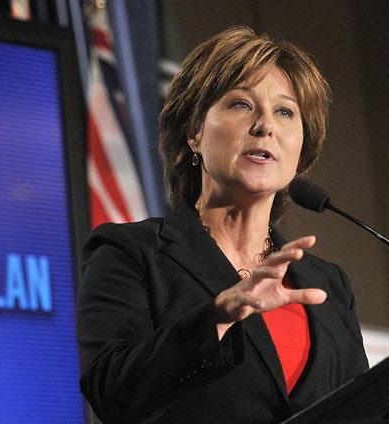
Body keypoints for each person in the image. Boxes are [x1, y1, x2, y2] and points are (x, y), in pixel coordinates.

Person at [76, 26, 368, 424]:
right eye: (240, 105)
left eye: (285, 111)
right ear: (194, 132)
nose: (265, 125)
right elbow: (113, 394)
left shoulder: (329, 285)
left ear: (302, 148)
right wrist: (218, 315)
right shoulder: (131, 253)